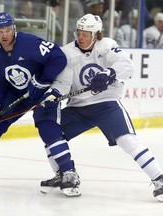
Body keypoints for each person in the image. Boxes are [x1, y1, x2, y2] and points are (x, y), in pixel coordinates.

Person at [0, 12, 81, 197]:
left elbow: (58, 57)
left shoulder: (29, 43)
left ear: (13, 29)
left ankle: (69, 172)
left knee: (48, 127)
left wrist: (43, 80)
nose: (4, 34)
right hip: (15, 93)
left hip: (42, 92)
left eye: (7, 30)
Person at [40, 14, 163, 202]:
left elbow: (126, 64)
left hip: (107, 105)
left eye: (86, 34)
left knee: (128, 141)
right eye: (79, 33)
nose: (80, 37)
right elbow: (64, 82)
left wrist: (108, 73)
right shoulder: (67, 52)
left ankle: (159, 179)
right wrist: (54, 94)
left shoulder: (107, 46)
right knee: (50, 133)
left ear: (96, 35)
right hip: (78, 107)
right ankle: (64, 173)